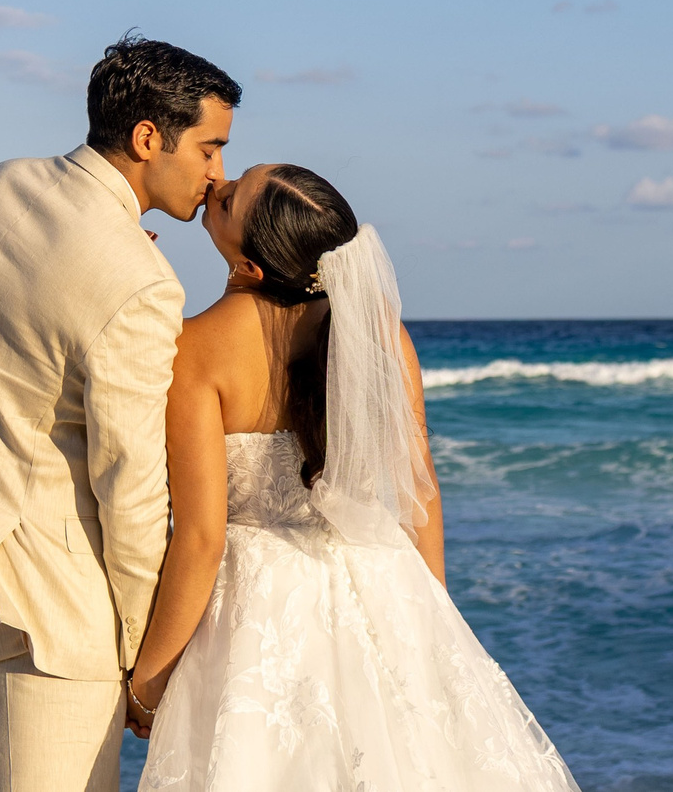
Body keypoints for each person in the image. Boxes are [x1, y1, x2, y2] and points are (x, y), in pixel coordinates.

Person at [0, 35, 242, 792]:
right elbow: (129, 484)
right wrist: (144, 657)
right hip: (53, 599)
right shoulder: (140, 278)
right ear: (146, 139)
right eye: (209, 148)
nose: (216, 173)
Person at [126, 163, 582, 792]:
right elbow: (420, 494)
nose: (215, 185)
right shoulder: (383, 338)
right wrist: (431, 623)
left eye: (229, 199)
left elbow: (200, 538)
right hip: (385, 588)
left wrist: (150, 680)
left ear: (253, 266)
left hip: (257, 619)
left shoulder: (196, 348)